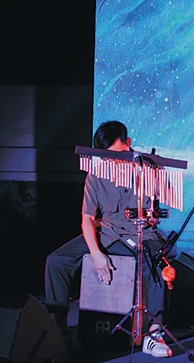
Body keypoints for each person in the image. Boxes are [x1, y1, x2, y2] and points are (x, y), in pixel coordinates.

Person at [44, 121, 173, 357]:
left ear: (129, 143)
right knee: (57, 261)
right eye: (108, 157)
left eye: (119, 154)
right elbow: (87, 219)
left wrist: (154, 181)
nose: (115, 161)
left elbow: (161, 202)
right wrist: (96, 254)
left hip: (142, 234)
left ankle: (154, 334)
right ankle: (58, 330)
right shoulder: (96, 175)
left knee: (155, 264)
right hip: (108, 233)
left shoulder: (148, 169)